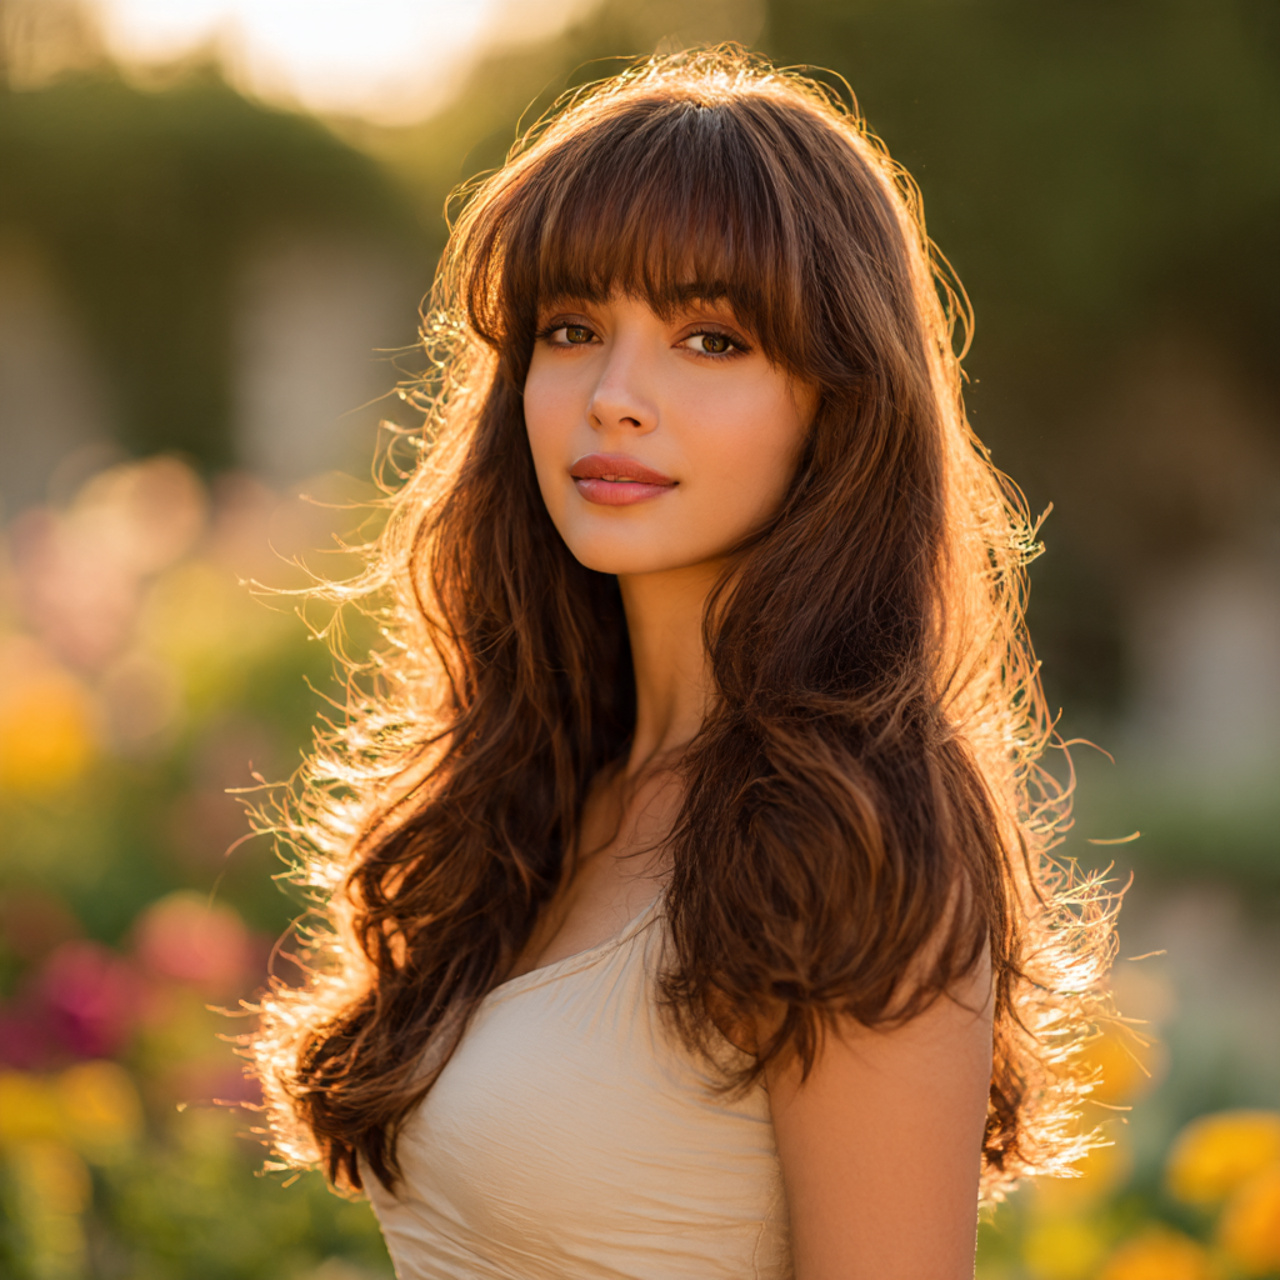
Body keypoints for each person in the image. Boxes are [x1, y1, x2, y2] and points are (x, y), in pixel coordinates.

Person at [248, 46, 1116, 1280]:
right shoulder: (532, 791)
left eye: (709, 338)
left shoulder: (853, 839)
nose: (614, 394)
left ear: (836, 400)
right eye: (570, 328)